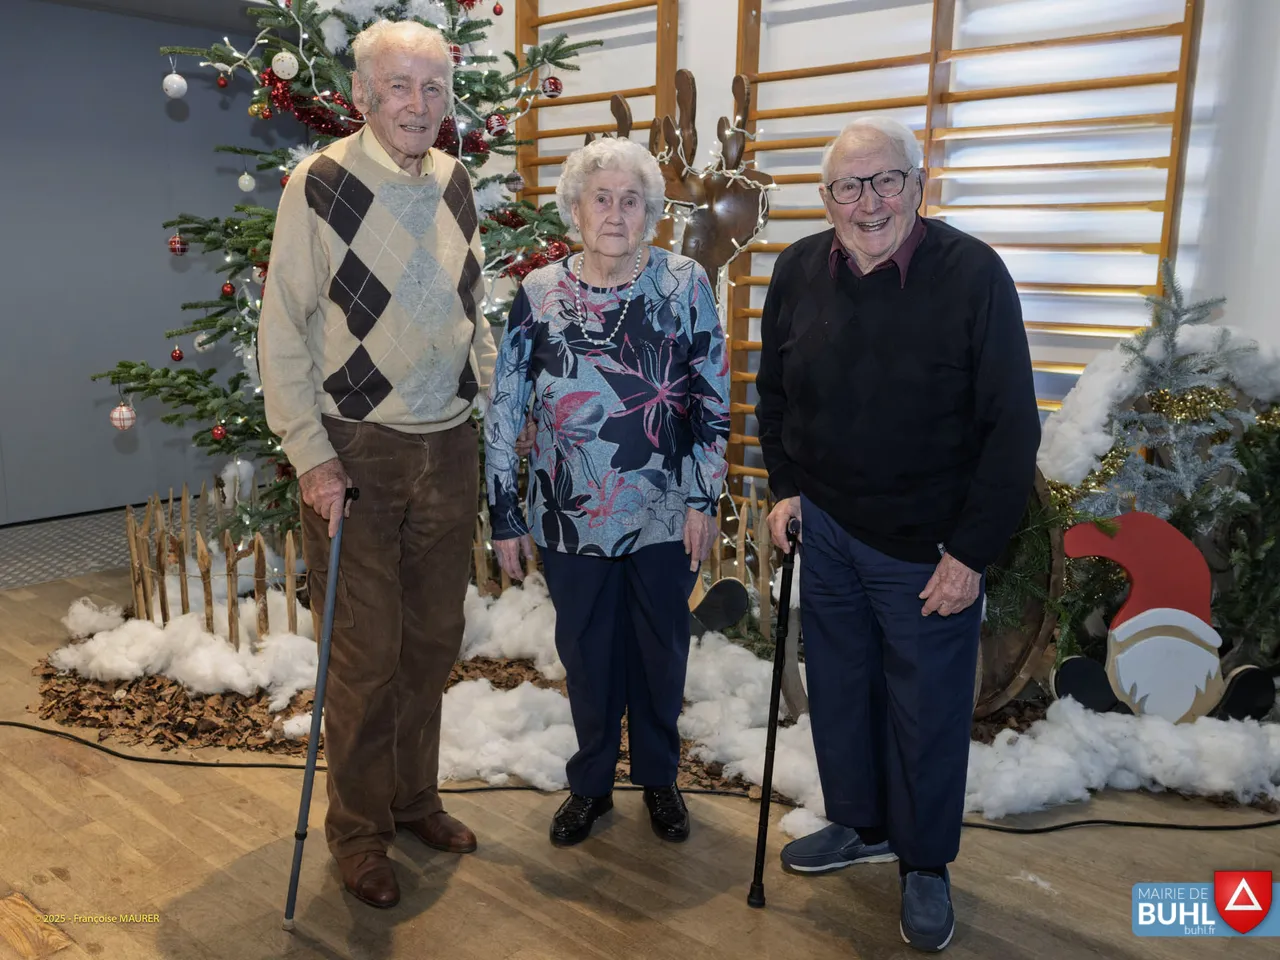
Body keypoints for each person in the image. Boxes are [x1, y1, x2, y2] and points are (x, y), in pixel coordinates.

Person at [755, 116, 1040, 952]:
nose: (869, 202)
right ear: (826, 198)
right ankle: (861, 823)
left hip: (928, 547)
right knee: (841, 691)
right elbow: (774, 394)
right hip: (828, 529)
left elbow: (1012, 429)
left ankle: (923, 861)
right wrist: (785, 487)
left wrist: (972, 553)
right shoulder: (797, 269)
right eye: (849, 186)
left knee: (926, 713)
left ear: (918, 184)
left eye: (886, 181)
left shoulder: (973, 274)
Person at [258, 19, 496, 909]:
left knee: (431, 642)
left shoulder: (456, 180)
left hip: (450, 444)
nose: (419, 104)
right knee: (365, 655)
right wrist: (311, 456)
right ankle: (359, 834)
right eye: (400, 85)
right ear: (362, 95)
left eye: (434, 87)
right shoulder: (318, 184)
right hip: (356, 450)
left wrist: (488, 398)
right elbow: (283, 326)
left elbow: (473, 306)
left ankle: (413, 799)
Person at [485, 137, 730, 848]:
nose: (616, 214)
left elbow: (711, 398)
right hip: (569, 511)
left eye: (631, 201)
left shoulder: (683, 283)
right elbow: (505, 406)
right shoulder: (539, 293)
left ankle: (659, 777)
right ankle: (590, 782)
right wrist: (504, 513)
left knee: (661, 651)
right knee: (587, 655)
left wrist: (703, 498)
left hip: (663, 510)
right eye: (602, 199)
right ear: (576, 209)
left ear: (649, 212)